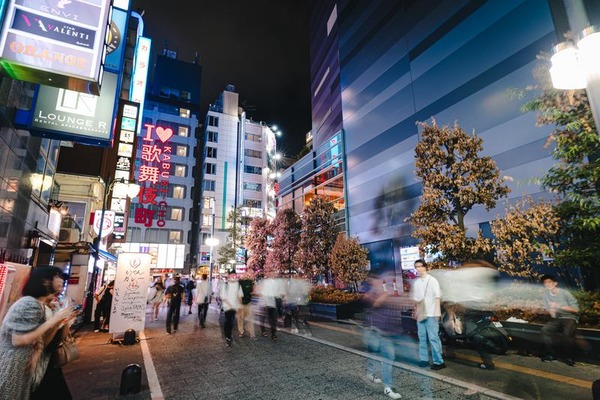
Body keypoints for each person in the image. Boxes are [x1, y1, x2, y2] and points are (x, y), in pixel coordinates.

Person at [0, 266, 75, 399]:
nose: (61, 280)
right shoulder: (28, 303)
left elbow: (44, 341)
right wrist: (55, 320)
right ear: (45, 281)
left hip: (34, 367)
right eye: (57, 276)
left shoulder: (46, 305)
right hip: (15, 367)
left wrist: (61, 322)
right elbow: (17, 340)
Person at [361, 275, 402, 399]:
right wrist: (385, 294)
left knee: (386, 356)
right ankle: (386, 386)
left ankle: (385, 384)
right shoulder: (368, 290)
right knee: (381, 355)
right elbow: (374, 303)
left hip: (385, 330)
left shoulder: (382, 289)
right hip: (373, 329)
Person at [411, 259, 445, 370]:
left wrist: (437, 313)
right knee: (422, 338)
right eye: (416, 267)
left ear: (425, 267)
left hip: (431, 314)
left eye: (420, 266)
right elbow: (416, 300)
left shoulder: (432, 280)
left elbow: (437, 297)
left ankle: (439, 361)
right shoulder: (416, 282)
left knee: (433, 338)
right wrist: (415, 311)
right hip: (421, 314)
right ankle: (424, 360)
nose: (418, 269)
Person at [540, 274, 579, 366]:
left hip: (570, 317)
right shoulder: (546, 295)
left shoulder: (565, 293)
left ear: (555, 283)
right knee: (545, 330)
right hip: (557, 319)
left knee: (566, 333)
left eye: (549, 282)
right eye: (545, 283)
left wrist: (559, 306)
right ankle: (551, 355)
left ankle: (569, 356)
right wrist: (551, 311)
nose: (547, 284)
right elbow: (548, 309)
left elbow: (576, 310)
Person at [220, 271, 240, 346]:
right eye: (232, 275)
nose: (233, 276)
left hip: (234, 306)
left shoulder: (237, 284)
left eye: (234, 275)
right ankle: (227, 337)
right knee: (228, 321)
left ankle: (229, 335)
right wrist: (230, 305)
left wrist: (238, 305)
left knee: (232, 322)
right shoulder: (225, 285)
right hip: (227, 307)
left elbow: (239, 295)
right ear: (229, 276)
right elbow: (223, 297)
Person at [236, 274, 256, 339]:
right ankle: (242, 332)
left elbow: (253, 291)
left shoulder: (251, 282)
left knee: (248, 318)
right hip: (240, 302)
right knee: (241, 318)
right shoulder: (239, 282)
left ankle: (251, 333)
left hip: (247, 302)